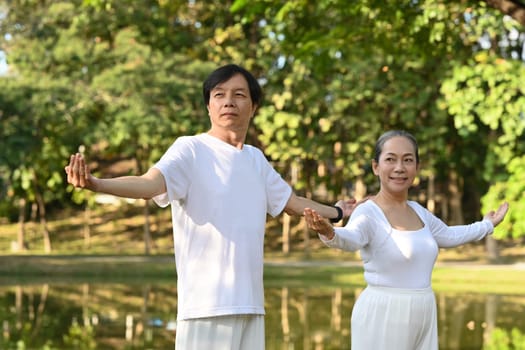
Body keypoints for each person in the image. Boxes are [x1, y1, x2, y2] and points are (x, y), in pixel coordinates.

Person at [65, 64, 358, 350]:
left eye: (239, 95)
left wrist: (339, 211)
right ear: (208, 106)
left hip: (251, 306)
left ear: (253, 107)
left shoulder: (256, 159)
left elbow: (293, 204)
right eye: (219, 94)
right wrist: (98, 184)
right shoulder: (190, 149)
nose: (229, 101)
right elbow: (149, 184)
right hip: (205, 307)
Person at [303, 130, 509, 350]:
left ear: (417, 168)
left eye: (408, 160)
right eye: (390, 159)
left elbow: (448, 235)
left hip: (424, 311)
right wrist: (330, 232)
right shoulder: (368, 212)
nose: (399, 167)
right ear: (376, 167)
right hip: (384, 314)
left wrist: (487, 225)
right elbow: (352, 237)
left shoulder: (418, 211)